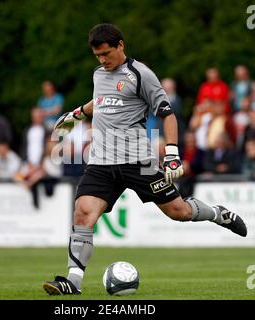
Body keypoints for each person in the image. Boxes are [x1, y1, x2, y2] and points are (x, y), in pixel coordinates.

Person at [43, 24, 247, 296]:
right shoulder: (98, 74)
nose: (103, 60)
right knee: (82, 213)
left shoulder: (141, 75)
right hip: (102, 161)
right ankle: (72, 281)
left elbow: (167, 114)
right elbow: (100, 101)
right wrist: (76, 115)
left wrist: (172, 154)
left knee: (179, 212)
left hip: (138, 161)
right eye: (97, 56)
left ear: (120, 46)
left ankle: (218, 213)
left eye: (106, 53)